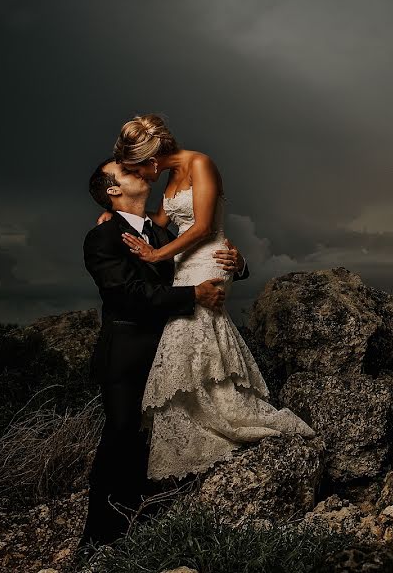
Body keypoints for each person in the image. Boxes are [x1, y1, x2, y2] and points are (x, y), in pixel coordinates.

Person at [112, 114, 314, 483]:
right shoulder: (170, 177)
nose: (139, 176)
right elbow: (158, 223)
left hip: (210, 259)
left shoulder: (201, 163)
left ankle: (227, 425)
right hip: (183, 263)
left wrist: (156, 255)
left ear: (151, 158)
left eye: (136, 168)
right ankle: (198, 439)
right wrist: (112, 215)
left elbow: (203, 226)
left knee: (189, 336)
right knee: (187, 347)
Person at [79, 158, 248, 550]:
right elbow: (127, 295)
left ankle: (148, 529)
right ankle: (97, 539)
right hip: (126, 355)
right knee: (121, 437)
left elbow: (199, 261)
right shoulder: (101, 237)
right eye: (123, 170)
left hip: (170, 352)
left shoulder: (161, 234)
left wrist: (237, 265)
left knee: (159, 441)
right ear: (113, 191)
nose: (135, 169)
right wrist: (193, 295)